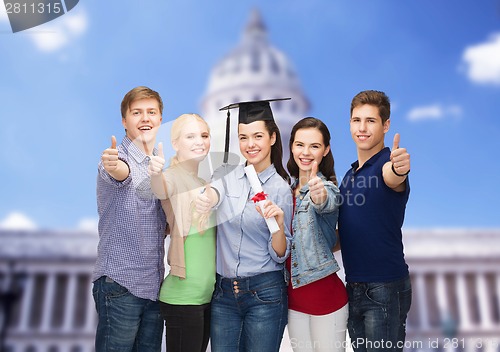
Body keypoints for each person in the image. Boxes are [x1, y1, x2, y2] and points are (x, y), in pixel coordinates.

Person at [196, 98, 293, 352]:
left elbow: (281, 254)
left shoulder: (281, 189)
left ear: (272, 137)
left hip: (265, 294)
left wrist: (279, 226)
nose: (250, 145)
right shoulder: (226, 175)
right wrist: (209, 199)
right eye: (243, 137)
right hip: (224, 295)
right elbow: (215, 193)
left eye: (258, 136)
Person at [92, 86, 166, 352]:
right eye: (137, 113)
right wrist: (114, 166)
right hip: (120, 285)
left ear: (160, 119)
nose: (145, 118)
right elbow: (119, 173)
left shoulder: (158, 164)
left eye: (151, 112)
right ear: (124, 121)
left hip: (153, 288)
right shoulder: (118, 157)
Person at [338, 90, 412, 352]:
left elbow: (394, 176)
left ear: (386, 125)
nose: (362, 128)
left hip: (384, 288)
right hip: (354, 286)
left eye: (371, 121)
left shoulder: (386, 164)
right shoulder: (348, 176)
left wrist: (399, 168)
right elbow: (345, 234)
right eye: (356, 120)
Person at [149, 113, 216, 352]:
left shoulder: (203, 182)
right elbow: (161, 189)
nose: (199, 141)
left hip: (206, 297)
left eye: (204, 135)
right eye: (190, 136)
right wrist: (155, 173)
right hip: (182, 298)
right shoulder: (172, 176)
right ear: (175, 143)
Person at [286, 117, 349, 352]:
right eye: (300, 144)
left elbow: (326, 202)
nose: (306, 152)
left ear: (326, 150)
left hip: (326, 300)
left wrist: (317, 193)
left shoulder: (327, 187)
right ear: (291, 146)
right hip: (294, 303)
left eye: (315, 146)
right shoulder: (284, 191)